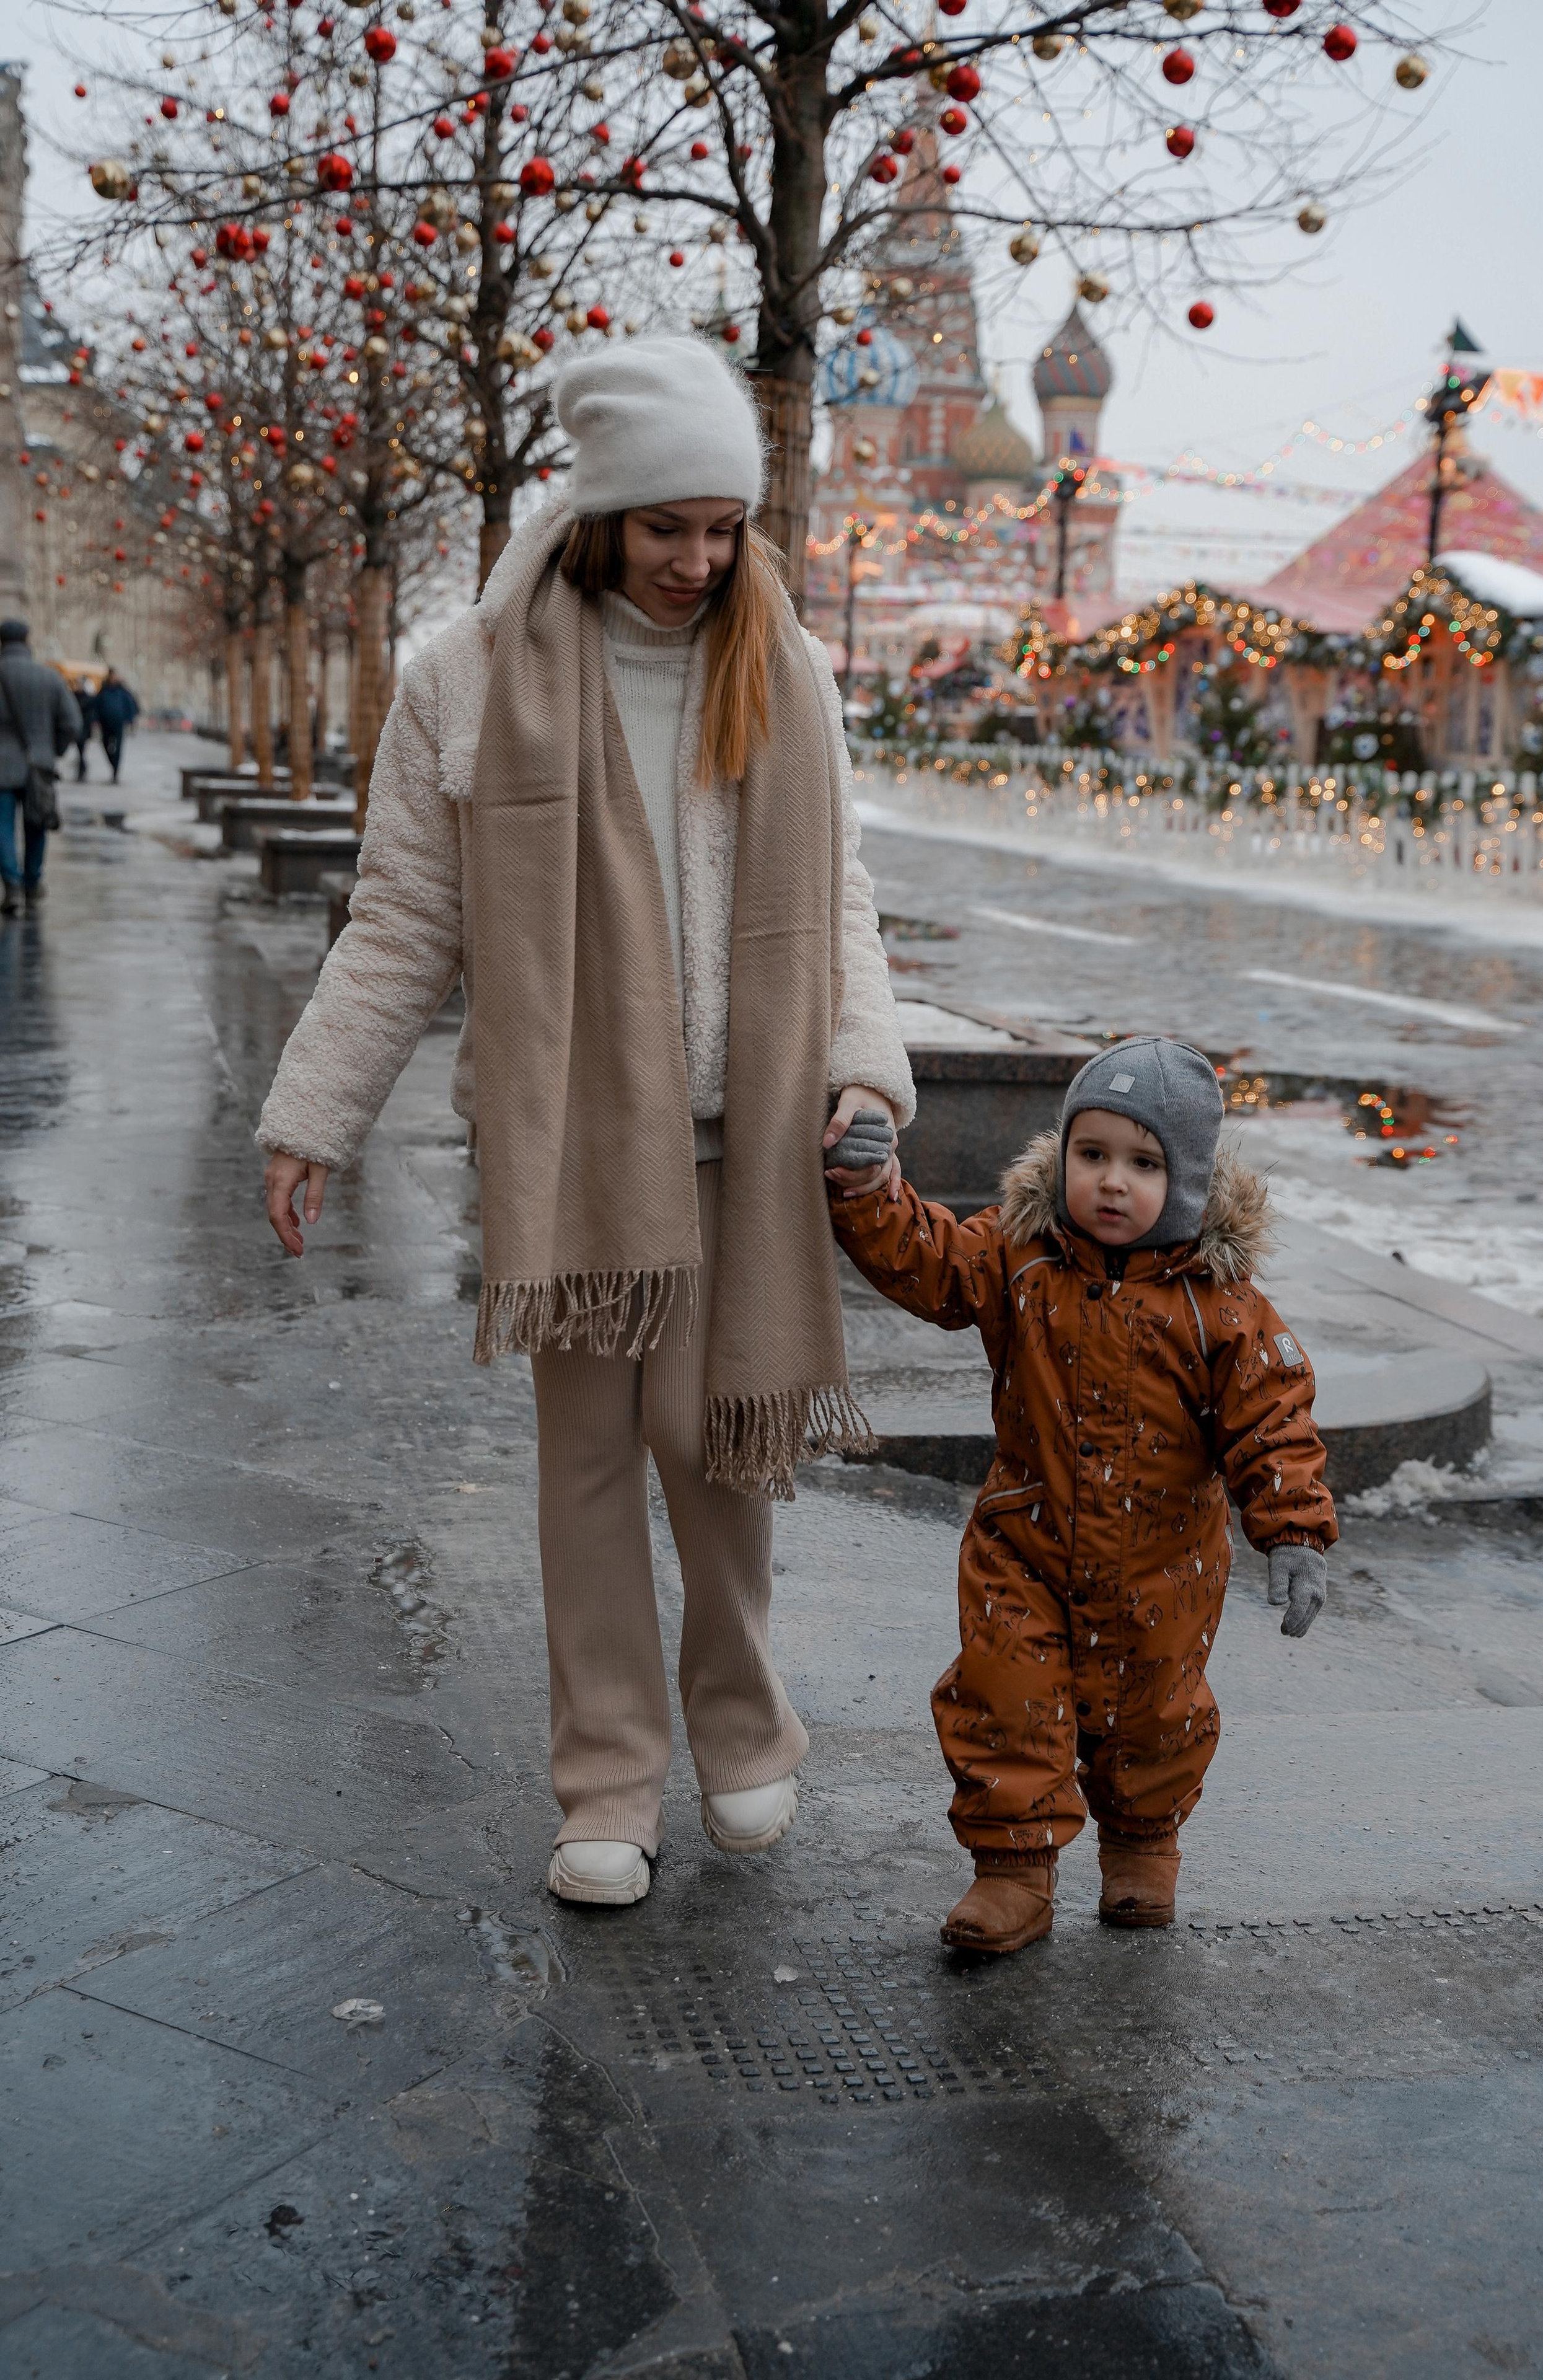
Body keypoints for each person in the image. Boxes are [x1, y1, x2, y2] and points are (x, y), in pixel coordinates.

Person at [255, 337, 914, 1908]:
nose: (694, 561)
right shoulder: (467, 677)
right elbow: (405, 914)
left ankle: (744, 1720)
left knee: (718, 1442)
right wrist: (313, 1113)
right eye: (664, 527)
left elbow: (838, 901)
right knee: (588, 1465)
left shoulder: (784, 665)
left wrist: (864, 1067)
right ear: (597, 514)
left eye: (720, 528)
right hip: (566, 1146)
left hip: (740, 1138)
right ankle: (604, 1782)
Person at [824, 1038, 1336, 1955]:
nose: (1109, 1181)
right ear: (1060, 1155)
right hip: (1025, 1541)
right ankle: (1012, 1872)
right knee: (1005, 1698)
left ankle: (1143, 1846)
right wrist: (871, 1191)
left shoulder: (1220, 1306)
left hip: (1164, 1566)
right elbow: (928, 1260)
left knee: (1156, 1712)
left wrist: (1293, 1529)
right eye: (1091, 1154)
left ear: (1183, 1183)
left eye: (1143, 1164)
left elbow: (1274, 1422)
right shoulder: (1018, 1253)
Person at [0, 619, 81, 917]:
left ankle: (11, 883)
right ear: (27, 640)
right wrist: (53, 749)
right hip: (39, 763)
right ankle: (32, 884)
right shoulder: (48, 677)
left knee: (2, 827)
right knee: (36, 823)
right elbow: (72, 723)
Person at [95, 667, 140, 782]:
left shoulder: (123, 691)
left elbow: (132, 705)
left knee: (118, 748)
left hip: (119, 724)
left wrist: (130, 720)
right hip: (105, 723)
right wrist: (95, 720)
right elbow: (97, 705)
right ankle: (113, 763)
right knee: (105, 744)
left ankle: (115, 771)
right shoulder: (104, 690)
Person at [72, 676, 97, 780]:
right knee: (80, 749)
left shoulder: (88, 698)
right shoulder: (73, 697)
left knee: (82, 749)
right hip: (76, 726)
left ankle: (82, 769)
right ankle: (82, 768)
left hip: (85, 727)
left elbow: (92, 713)